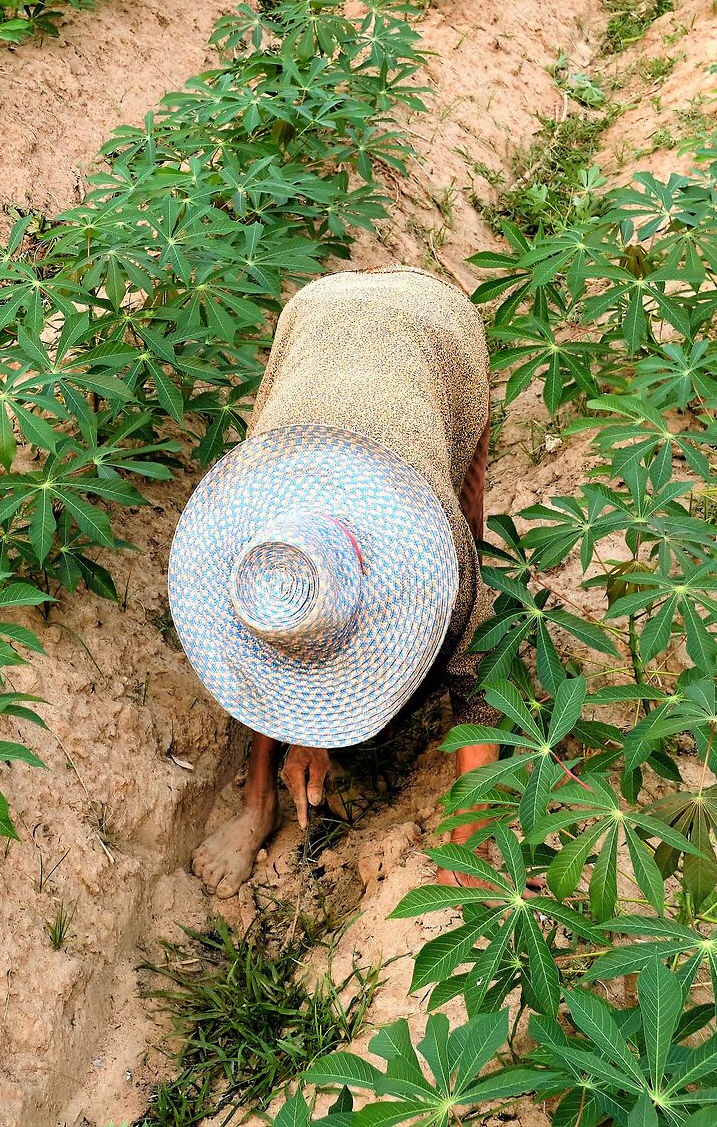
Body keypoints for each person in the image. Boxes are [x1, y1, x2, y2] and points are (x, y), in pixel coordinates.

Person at [169, 267, 498, 896]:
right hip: (316, 324)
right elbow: (269, 648)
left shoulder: (429, 547)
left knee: (470, 562)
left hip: (435, 334)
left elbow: (479, 671)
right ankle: (257, 799)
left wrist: (471, 834)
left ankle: (469, 814)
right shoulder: (252, 523)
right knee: (283, 620)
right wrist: (309, 724)